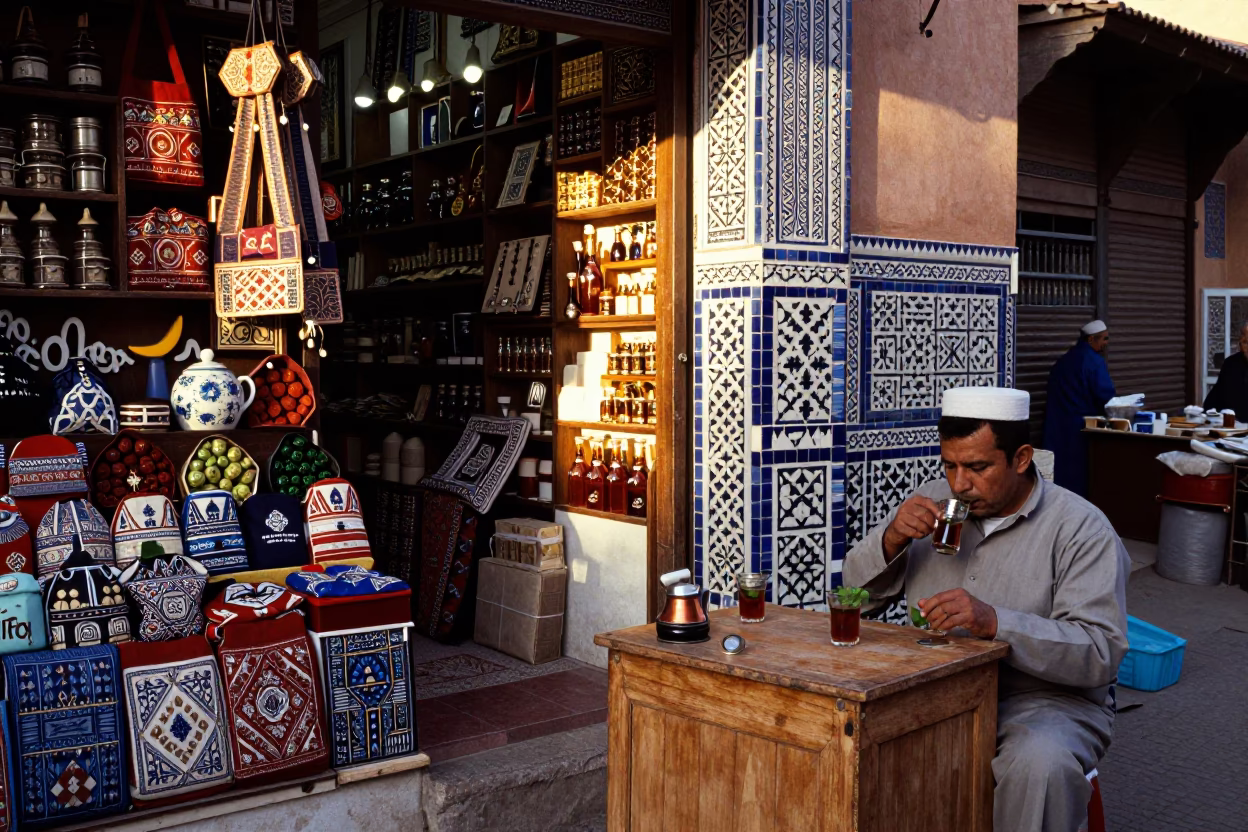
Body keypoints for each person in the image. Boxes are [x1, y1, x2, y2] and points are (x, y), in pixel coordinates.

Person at [844, 386, 1129, 832]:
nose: (959, 483)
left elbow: (1100, 651)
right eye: (950, 465)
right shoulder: (936, 501)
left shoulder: (1080, 528)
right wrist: (892, 539)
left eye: (977, 467)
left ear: (1020, 458)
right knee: (846, 742)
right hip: (931, 690)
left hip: (1040, 701)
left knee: (1039, 765)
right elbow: (854, 598)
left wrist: (996, 623)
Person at [1043, 319, 1116, 496]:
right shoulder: (1094, 362)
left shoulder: (1063, 361)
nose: (1106, 344)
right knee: (1079, 475)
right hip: (1080, 428)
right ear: (1091, 340)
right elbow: (1105, 396)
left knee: (1059, 473)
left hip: (1057, 427)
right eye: (1104, 339)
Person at [1203, 322, 1248, 421]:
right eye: (1244, 342)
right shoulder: (1231, 364)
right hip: (1231, 429)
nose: (1245, 347)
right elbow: (1212, 402)